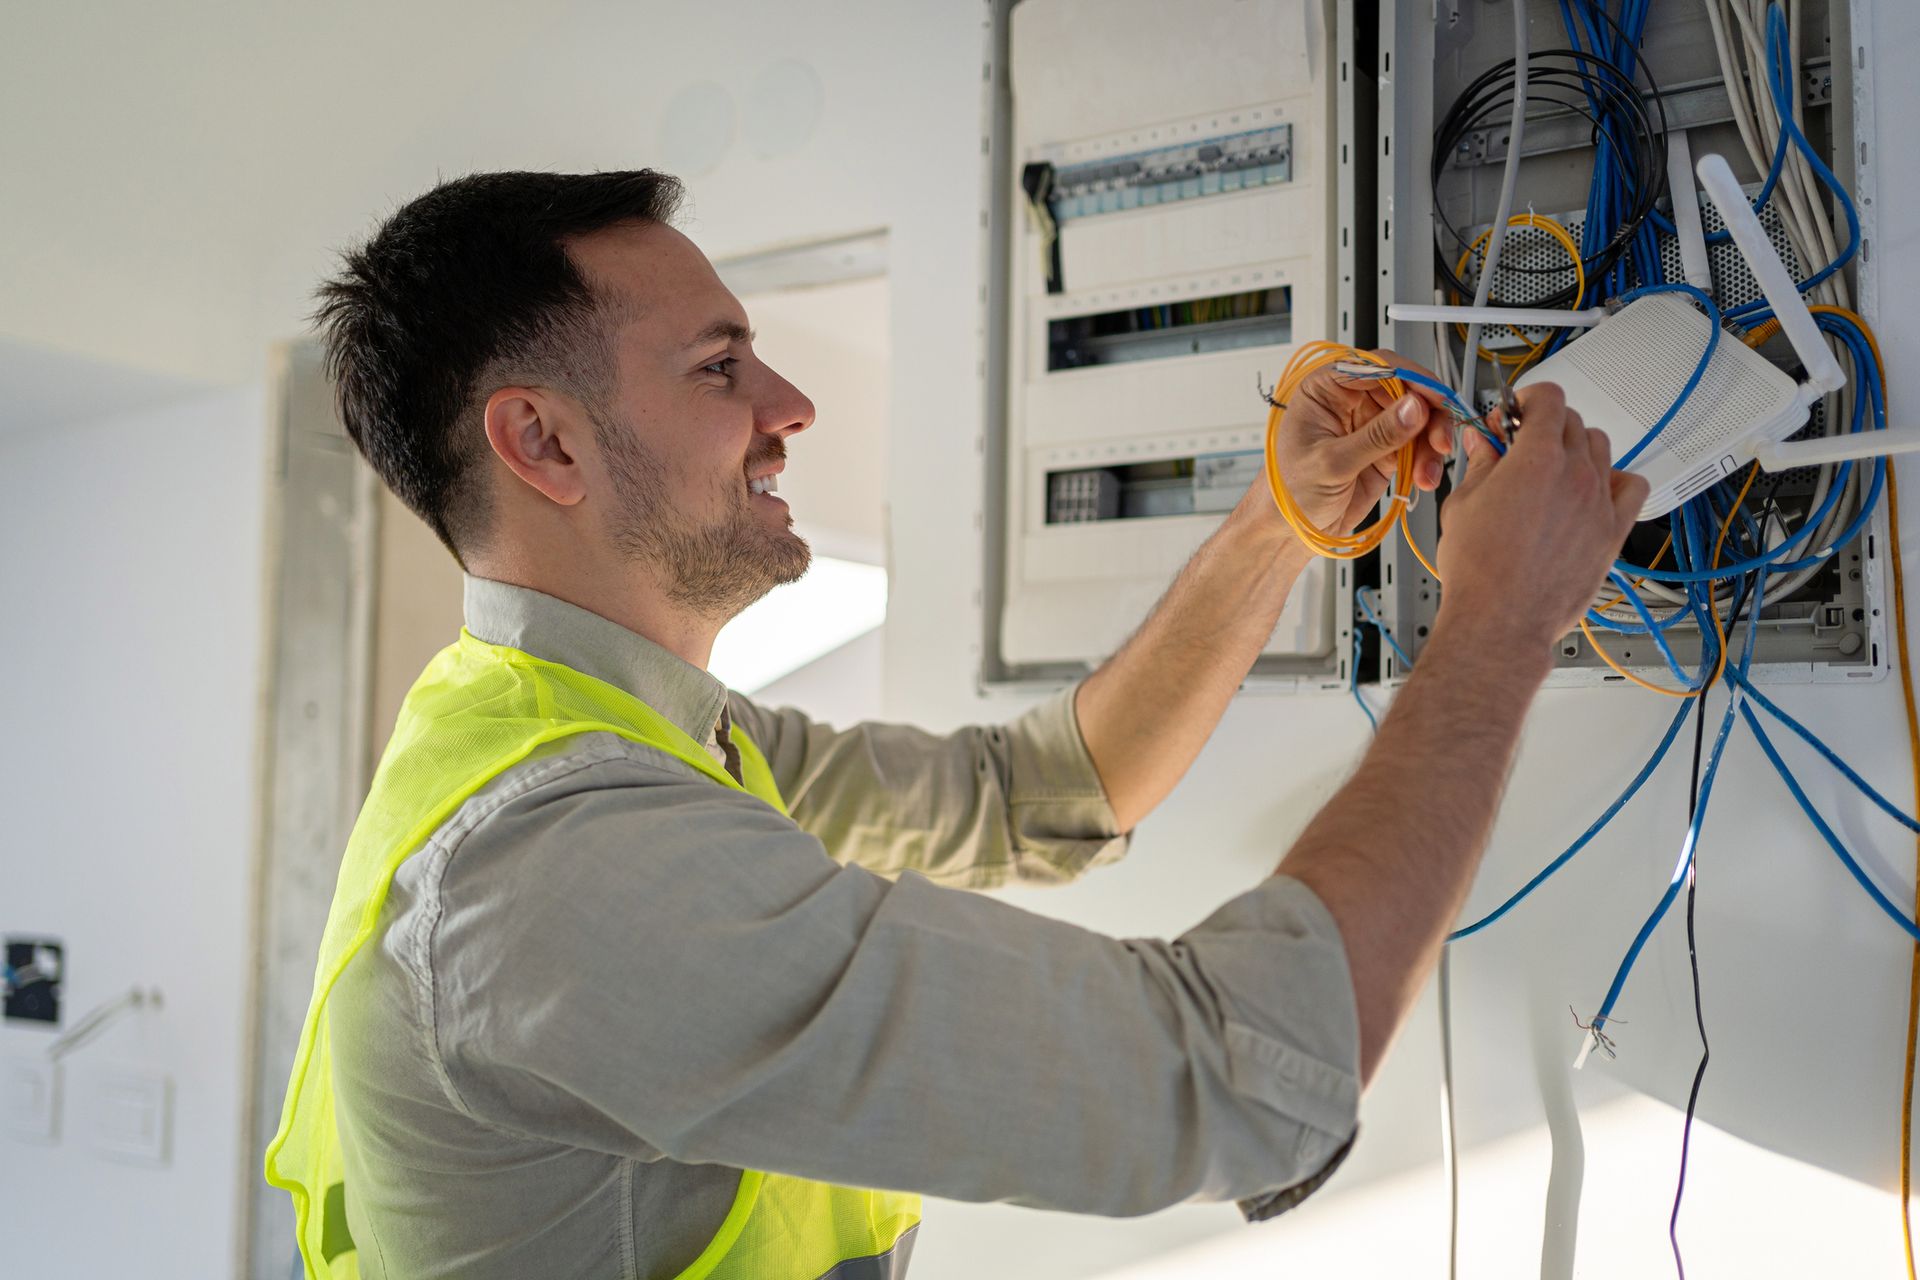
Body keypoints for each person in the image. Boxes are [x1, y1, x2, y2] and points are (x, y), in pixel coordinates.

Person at [265, 169, 1647, 1280]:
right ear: (542, 443)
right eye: (718, 367)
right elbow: (1245, 1078)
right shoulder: (561, 872)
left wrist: (1285, 515)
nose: (789, 408)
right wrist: (1504, 617)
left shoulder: (609, 736)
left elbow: (1039, 795)